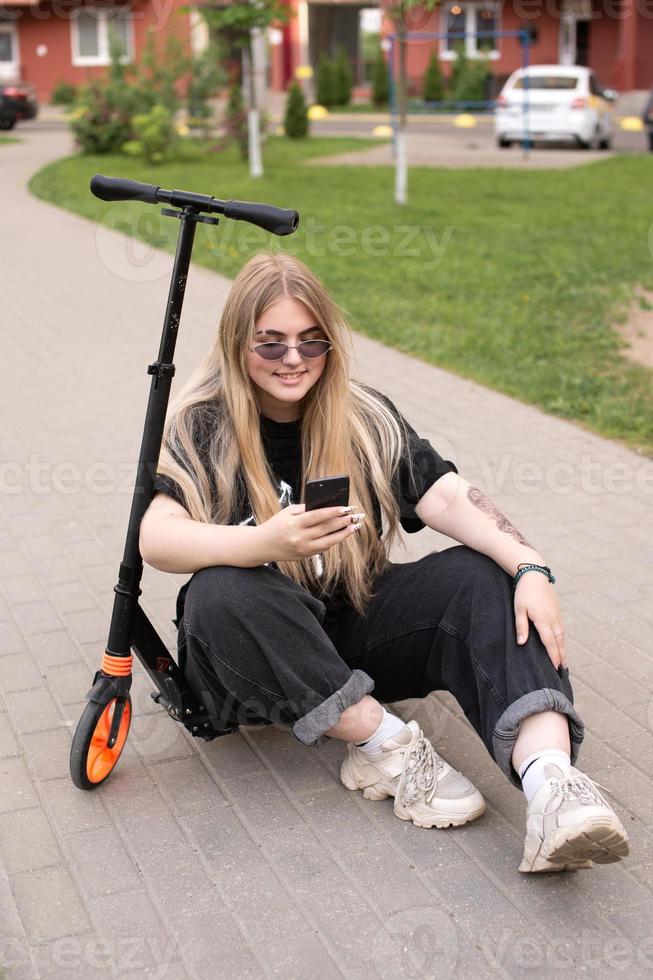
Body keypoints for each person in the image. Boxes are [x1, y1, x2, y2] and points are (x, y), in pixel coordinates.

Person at [139, 251, 629, 874]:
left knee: (482, 573)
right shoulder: (201, 422)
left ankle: (552, 787)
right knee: (220, 591)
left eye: (311, 341)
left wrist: (530, 565)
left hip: (351, 623)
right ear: (238, 344)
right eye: (272, 343)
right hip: (253, 652)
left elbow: (446, 494)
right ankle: (383, 744)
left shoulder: (362, 413)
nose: (294, 358)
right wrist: (266, 544)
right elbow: (157, 539)